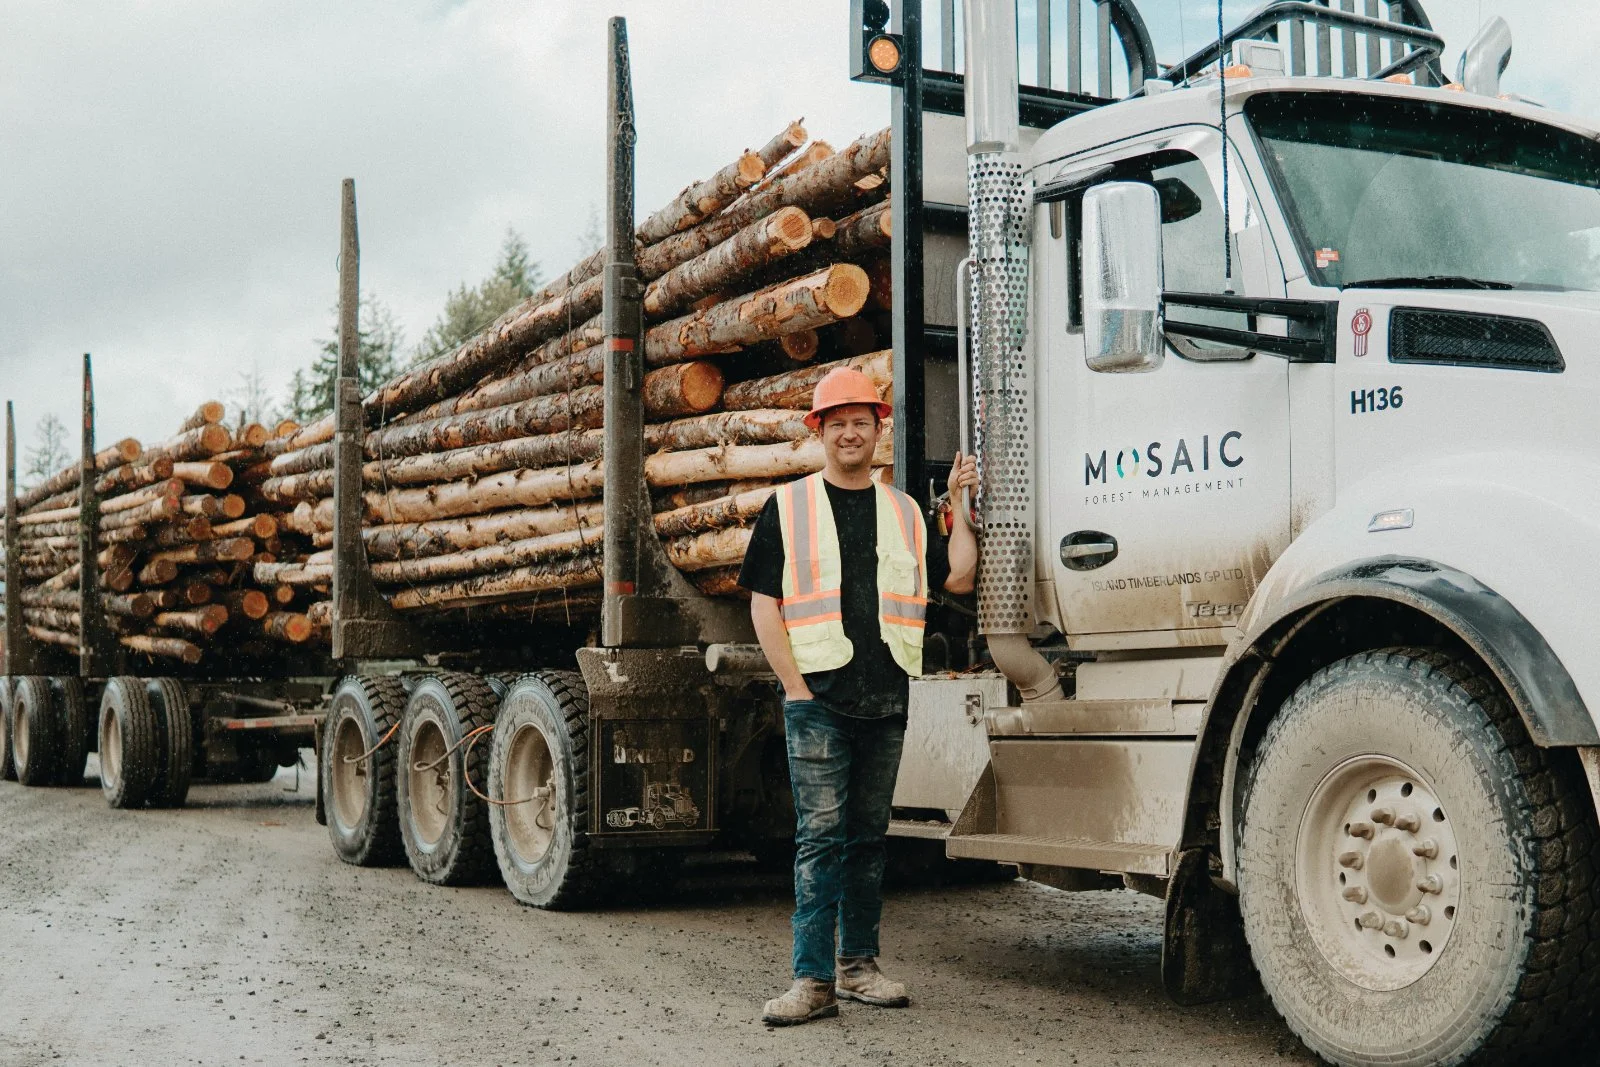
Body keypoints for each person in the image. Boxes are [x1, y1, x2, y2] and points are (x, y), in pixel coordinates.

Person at [738, 365, 978, 1026]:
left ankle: (859, 968)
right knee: (819, 840)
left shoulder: (902, 511)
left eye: (861, 422)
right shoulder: (787, 507)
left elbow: (956, 576)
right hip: (817, 702)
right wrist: (794, 685)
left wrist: (960, 505)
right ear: (820, 431)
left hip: (886, 702)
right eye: (838, 422)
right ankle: (812, 981)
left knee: (868, 841)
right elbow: (764, 604)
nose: (850, 432)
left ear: (879, 430)